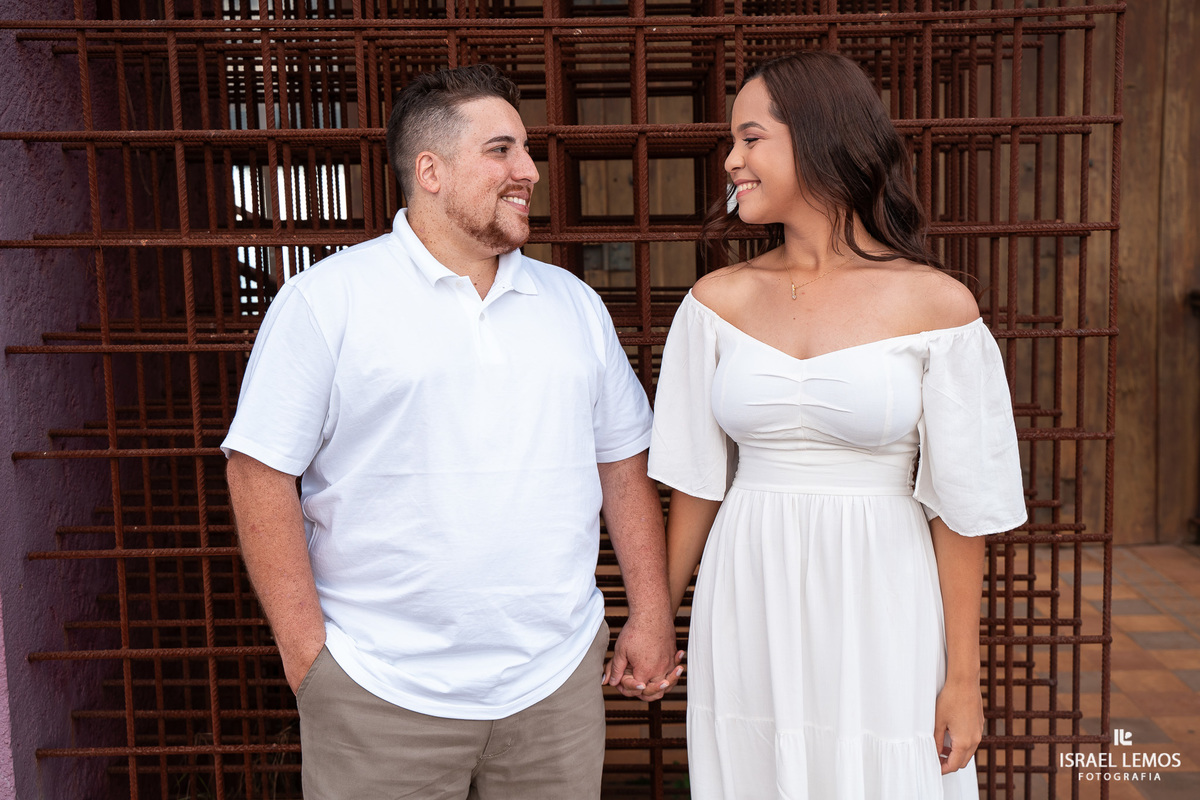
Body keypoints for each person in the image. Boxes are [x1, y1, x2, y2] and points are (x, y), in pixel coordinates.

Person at [222, 64, 680, 800]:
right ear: (429, 171)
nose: (529, 170)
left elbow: (622, 463)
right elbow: (257, 471)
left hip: (554, 688)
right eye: (502, 151)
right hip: (378, 691)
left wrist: (651, 615)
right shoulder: (328, 301)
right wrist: (309, 657)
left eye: (526, 151)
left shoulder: (573, 306)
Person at [648, 52, 1027, 799]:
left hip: (881, 587)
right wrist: (655, 618)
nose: (732, 161)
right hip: (747, 584)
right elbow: (695, 481)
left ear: (820, 139)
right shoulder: (715, 301)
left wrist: (962, 677)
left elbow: (961, 511)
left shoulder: (939, 307)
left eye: (751, 139)